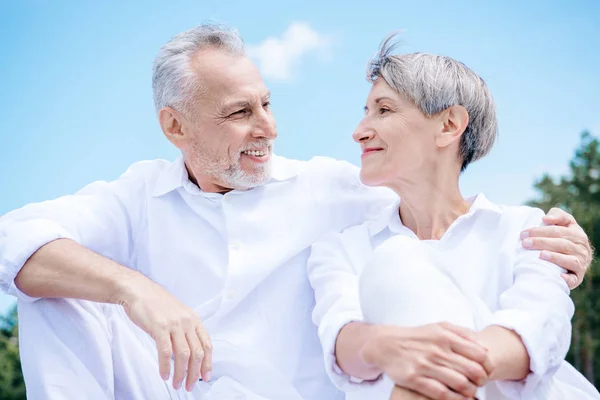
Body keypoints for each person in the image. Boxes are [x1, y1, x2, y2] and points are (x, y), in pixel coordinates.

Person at [0, 24, 591, 399]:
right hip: (169, 390)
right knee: (50, 286)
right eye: (239, 113)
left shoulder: (336, 193)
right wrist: (137, 291)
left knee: (403, 270)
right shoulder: (137, 196)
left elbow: (437, 199)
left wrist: (555, 240)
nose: (267, 127)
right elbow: (13, 239)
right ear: (175, 126)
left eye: (267, 104)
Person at [307, 34, 599, 400]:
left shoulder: (525, 230)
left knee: (395, 260)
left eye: (383, 110)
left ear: (448, 125)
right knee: (395, 260)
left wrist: (433, 367)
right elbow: (342, 341)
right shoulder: (340, 248)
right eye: (366, 112)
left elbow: (540, 327)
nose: (359, 131)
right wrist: (387, 348)